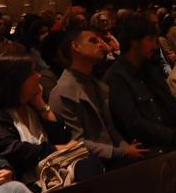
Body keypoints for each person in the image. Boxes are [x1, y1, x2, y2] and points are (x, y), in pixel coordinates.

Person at [0, 53, 87, 185]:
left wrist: (41, 106)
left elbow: (64, 136)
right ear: (16, 81)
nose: (39, 76)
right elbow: (15, 151)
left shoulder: (31, 105)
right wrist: (55, 149)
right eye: (32, 73)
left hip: (57, 172)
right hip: (28, 183)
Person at [49, 24, 149, 167]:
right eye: (93, 41)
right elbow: (77, 143)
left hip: (112, 159)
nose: (102, 45)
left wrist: (125, 147)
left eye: (100, 40)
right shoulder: (62, 93)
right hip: (91, 167)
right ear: (76, 47)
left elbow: (109, 128)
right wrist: (122, 152)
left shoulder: (95, 84)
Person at [103, 14, 176, 152]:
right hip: (151, 150)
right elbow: (134, 124)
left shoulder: (150, 70)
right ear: (135, 42)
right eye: (150, 40)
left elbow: (172, 104)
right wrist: (175, 138)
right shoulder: (116, 78)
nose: (155, 46)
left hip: (174, 140)